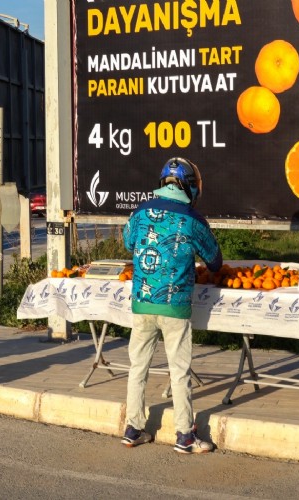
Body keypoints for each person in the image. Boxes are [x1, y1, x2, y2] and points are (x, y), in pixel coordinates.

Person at [121, 157, 223, 454]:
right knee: (179, 370)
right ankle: (185, 436)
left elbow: (128, 242)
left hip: (142, 302)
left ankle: (133, 429)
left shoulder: (140, 211)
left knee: (137, 367)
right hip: (175, 306)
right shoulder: (193, 220)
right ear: (191, 187)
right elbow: (215, 262)